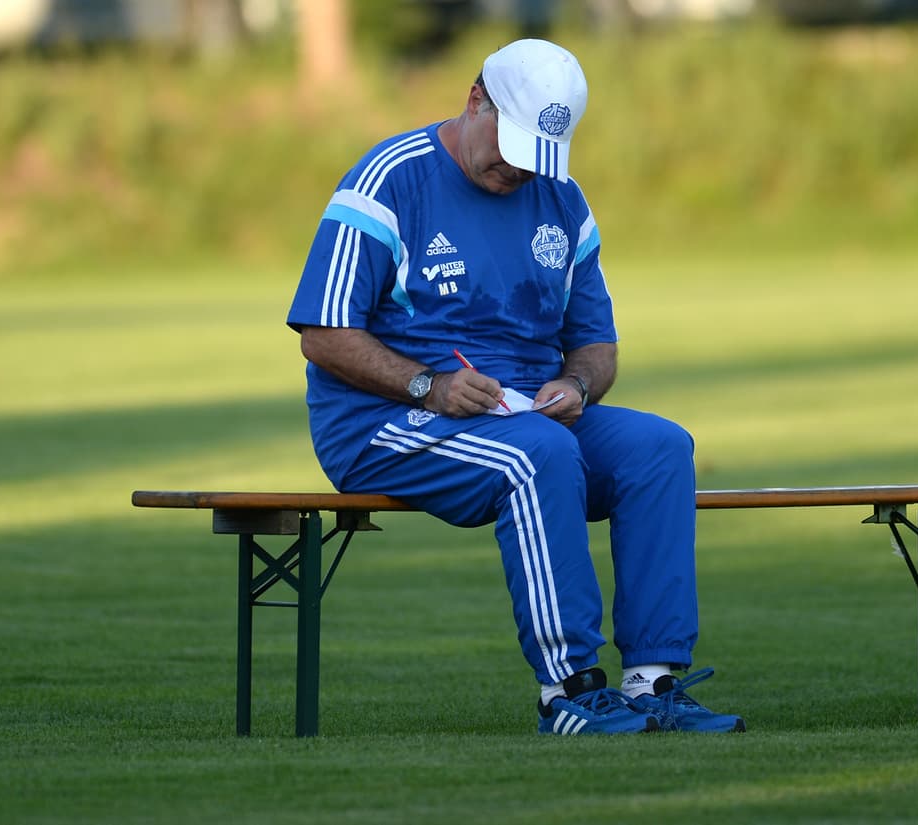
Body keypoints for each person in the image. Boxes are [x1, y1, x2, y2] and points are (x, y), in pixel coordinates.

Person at [287, 38, 744, 735]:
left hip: (528, 413)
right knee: (538, 454)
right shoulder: (390, 178)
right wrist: (427, 386)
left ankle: (654, 682)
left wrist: (578, 385)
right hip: (382, 422)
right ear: (476, 100)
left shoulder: (561, 196)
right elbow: (321, 332)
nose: (518, 167)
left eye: (537, 152)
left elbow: (596, 344)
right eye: (510, 143)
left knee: (659, 447)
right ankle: (567, 688)